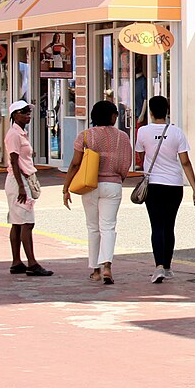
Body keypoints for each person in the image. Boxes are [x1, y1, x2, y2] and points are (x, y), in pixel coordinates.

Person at [63, 100, 133, 284]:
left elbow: (76, 163)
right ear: (112, 116)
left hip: (90, 185)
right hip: (113, 185)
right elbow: (126, 162)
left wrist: (66, 187)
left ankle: (95, 270)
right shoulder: (123, 137)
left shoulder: (85, 136)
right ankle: (108, 266)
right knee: (108, 227)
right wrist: (119, 178)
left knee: (92, 227)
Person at [136, 96, 195, 283]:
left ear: (150, 112)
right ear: (166, 111)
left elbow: (140, 156)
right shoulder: (176, 132)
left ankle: (158, 267)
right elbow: (185, 162)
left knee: (156, 225)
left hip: (154, 185)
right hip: (174, 185)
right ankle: (167, 266)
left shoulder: (143, 132)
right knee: (169, 226)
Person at [3, 101, 52, 277]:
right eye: (24, 112)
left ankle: (17, 262)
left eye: (28, 112)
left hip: (21, 179)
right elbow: (14, 161)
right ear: (14, 115)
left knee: (17, 223)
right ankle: (32, 263)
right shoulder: (14, 135)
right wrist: (21, 187)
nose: (28, 115)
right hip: (19, 181)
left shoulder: (20, 133)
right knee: (27, 222)